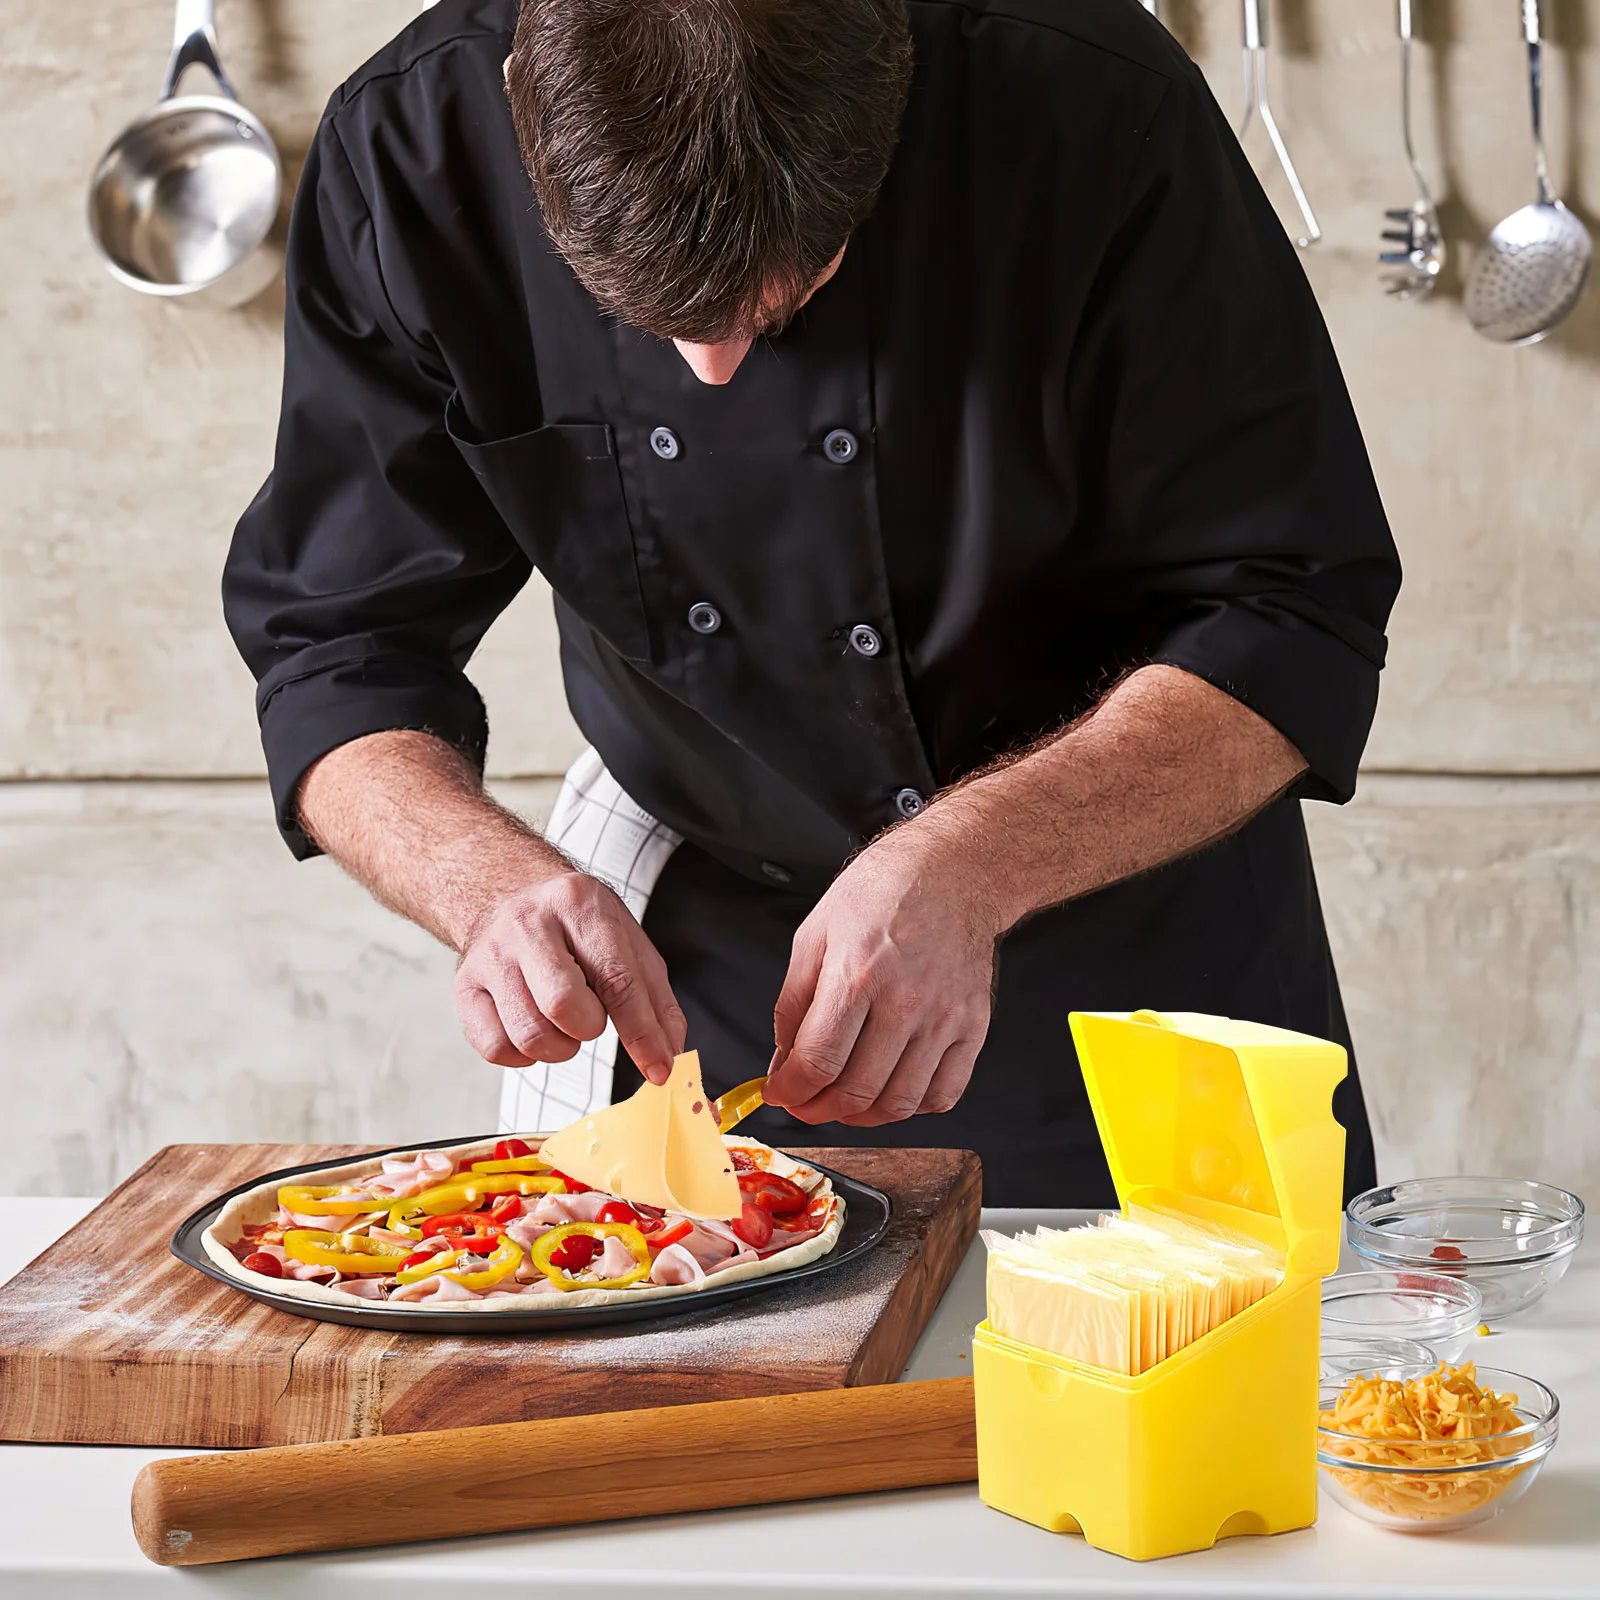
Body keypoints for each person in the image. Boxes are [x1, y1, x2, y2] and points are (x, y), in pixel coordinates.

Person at [223, 0, 1401, 1205]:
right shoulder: (413, 141)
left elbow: (1291, 607)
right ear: (524, 100)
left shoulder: (1094, 102)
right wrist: (482, 883)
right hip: (710, 991)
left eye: (778, 307)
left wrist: (972, 864)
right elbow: (337, 646)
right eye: (647, 323)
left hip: (1140, 970)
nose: (712, 369)